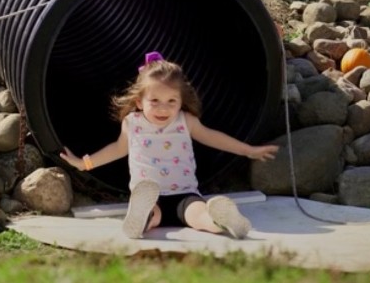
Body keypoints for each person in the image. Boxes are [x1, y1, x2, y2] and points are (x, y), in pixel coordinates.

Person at [60, 51, 279, 239]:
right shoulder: (132, 123)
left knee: (198, 215)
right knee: (151, 213)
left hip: (184, 194)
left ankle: (223, 222)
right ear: (139, 102)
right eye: (154, 101)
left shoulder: (185, 121)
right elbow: (118, 149)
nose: (163, 109)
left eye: (171, 102)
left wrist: (248, 150)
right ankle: (140, 219)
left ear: (181, 101)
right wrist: (84, 163)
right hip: (149, 195)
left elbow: (214, 138)